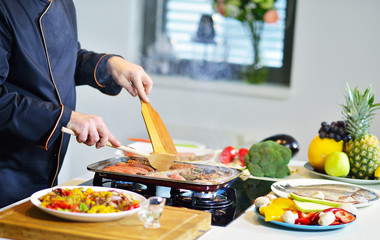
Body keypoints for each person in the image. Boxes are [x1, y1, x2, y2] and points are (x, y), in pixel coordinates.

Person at [0, 0, 153, 208]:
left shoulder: (62, 3)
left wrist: (109, 65)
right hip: (6, 170)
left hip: (44, 168)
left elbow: (62, 58)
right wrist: (66, 118)